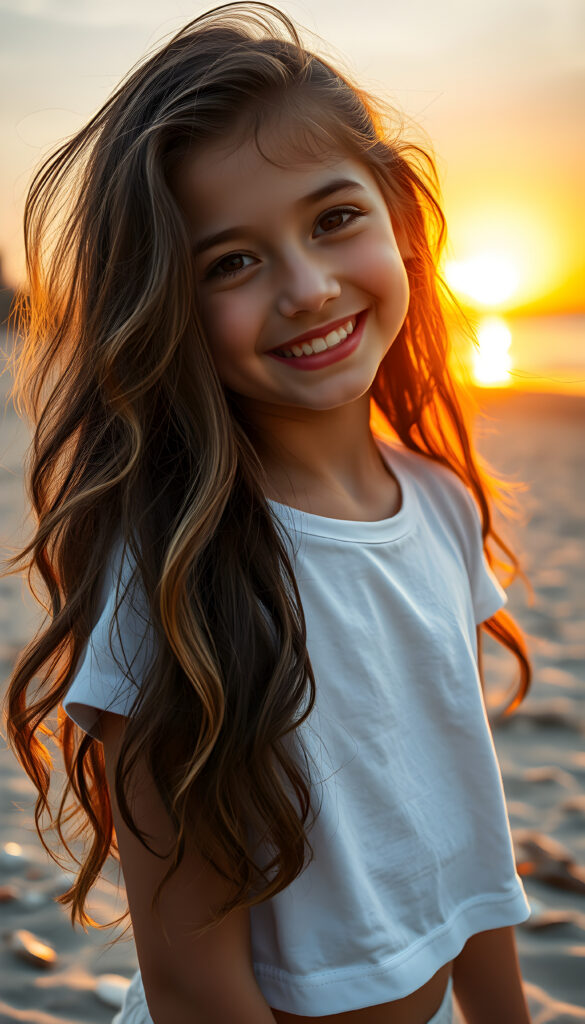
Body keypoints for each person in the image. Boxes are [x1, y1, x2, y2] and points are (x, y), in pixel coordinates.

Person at [3, 3, 534, 1022]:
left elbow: (467, 824)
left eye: (334, 218)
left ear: (398, 219)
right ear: (168, 307)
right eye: (231, 262)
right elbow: (197, 982)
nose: (306, 288)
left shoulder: (441, 508)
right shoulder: (175, 574)